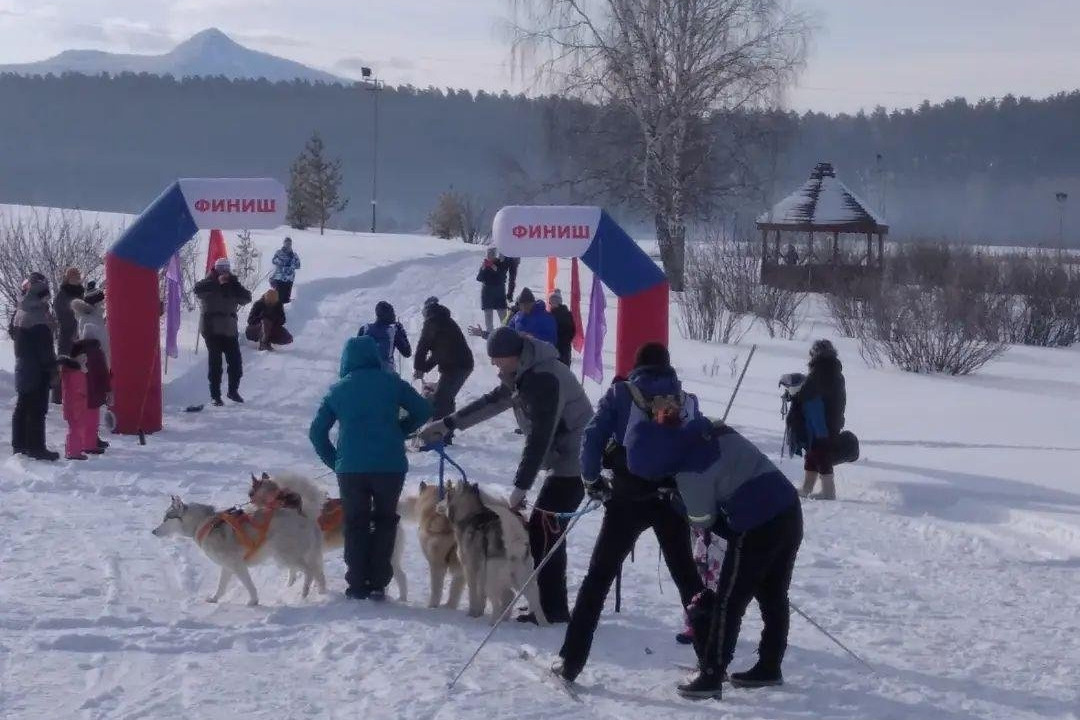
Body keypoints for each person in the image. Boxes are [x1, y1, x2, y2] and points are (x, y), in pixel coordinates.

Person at [625, 400, 802, 700]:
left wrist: (674, 500)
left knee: (728, 602)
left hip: (756, 524)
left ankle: (711, 674)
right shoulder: (708, 427)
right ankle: (770, 666)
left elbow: (703, 520)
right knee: (773, 594)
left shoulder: (689, 471)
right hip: (788, 508)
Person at [418, 327, 594, 623]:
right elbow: (492, 402)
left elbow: (540, 436)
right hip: (563, 458)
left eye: (499, 360)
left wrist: (519, 488)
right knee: (543, 528)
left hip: (576, 460)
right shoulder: (522, 374)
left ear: (515, 355)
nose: (495, 366)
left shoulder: (544, 378)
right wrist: (448, 423)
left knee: (545, 530)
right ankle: (549, 604)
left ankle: (553, 608)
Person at [553, 343, 703, 683]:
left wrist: (592, 480)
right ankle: (711, 661)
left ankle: (571, 661)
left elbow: (592, 437)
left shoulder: (622, 393)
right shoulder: (682, 397)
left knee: (597, 579)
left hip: (626, 498)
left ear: (637, 366)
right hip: (670, 500)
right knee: (688, 580)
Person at [309, 335, 432, 601]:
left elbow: (317, 433)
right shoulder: (392, 384)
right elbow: (422, 409)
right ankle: (378, 582)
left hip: (351, 469)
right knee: (386, 521)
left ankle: (356, 584)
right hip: (390, 466)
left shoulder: (337, 390)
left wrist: (336, 461)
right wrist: (400, 431)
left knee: (355, 523)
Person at [787, 339, 847, 500]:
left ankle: (828, 491)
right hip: (833, 420)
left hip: (819, 423)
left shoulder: (818, 374)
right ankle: (807, 487)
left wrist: (795, 395)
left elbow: (811, 400)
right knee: (813, 454)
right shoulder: (836, 373)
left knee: (820, 454)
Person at [12, 274, 59, 461]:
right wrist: (53, 369)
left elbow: (13, 333)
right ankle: (37, 448)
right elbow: (45, 349)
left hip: (23, 365)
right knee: (37, 409)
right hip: (37, 369)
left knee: (22, 407)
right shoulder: (38, 316)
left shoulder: (20, 310)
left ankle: (19, 445)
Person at [413, 297, 473, 442]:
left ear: (426, 312)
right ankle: (446, 435)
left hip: (457, 366)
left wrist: (419, 367)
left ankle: (438, 439)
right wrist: (423, 367)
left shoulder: (431, 322)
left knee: (441, 399)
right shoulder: (445, 321)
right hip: (460, 364)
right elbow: (439, 352)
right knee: (445, 397)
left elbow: (423, 346)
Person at [194, 257, 252, 406]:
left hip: (229, 328)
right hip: (211, 328)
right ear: (216, 269)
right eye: (221, 269)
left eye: (226, 269)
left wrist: (234, 284)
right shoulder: (208, 282)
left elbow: (246, 298)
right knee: (215, 363)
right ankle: (215, 395)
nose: (224, 272)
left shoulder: (233, 284)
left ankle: (233, 391)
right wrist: (216, 283)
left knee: (235, 363)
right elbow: (198, 290)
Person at [51, 267, 84, 404]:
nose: (76, 279)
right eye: (73, 276)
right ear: (68, 278)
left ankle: (77, 396)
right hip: (66, 335)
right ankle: (57, 399)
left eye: (77, 276)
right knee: (63, 366)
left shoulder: (81, 292)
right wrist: (73, 313)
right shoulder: (62, 293)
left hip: (80, 336)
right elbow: (60, 311)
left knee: (79, 367)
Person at [358, 301, 411, 372]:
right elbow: (407, 353)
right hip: (386, 375)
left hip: (365, 373)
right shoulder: (393, 331)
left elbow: (357, 353)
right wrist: (402, 332)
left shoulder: (364, 329)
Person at [477, 247, 510, 333]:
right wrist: (483, 268)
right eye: (488, 254)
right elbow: (479, 278)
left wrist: (494, 267)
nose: (489, 256)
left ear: (494, 255)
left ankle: (506, 333)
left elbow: (503, 277)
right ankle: (489, 335)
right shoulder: (485, 264)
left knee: (503, 317)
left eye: (491, 254)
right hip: (487, 293)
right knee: (488, 317)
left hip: (499, 293)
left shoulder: (501, 262)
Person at [548, 289, 575, 367]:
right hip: (564, 349)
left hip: (561, 349)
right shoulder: (567, 314)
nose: (550, 304)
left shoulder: (558, 315)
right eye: (550, 302)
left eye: (551, 302)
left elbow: (571, 332)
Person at [270, 236, 301, 304]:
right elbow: (274, 260)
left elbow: (298, 265)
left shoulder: (294, 255)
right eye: (286, 243)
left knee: (286, 298)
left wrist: (292, 266)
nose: (288, 245)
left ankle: (287, 312)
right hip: (279, 278)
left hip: (289, 279)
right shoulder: (279, 252)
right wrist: (281, 262)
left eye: (289, 243)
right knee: (278, 297)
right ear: (284, 243)